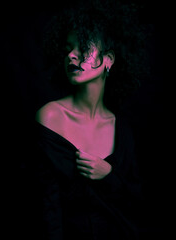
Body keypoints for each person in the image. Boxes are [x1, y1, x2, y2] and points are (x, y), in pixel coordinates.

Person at [34, 1, 146, 239]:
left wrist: (109, 176)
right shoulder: (51, 117)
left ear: (109, 60)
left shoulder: (122, 130)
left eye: (83, 46)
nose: (71, 55)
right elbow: (46, 209)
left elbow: (137, 206)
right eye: (68, 48)